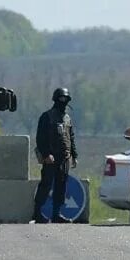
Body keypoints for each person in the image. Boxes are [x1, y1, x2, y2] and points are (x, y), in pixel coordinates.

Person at [31, 87, 78, 223]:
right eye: (61, 99)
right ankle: (37, 212)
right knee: (46, 184)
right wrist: (46, 154)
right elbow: (40, 138)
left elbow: (71, 137)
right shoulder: (46, 117)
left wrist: (74, 155)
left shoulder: (67, 119)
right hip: (51, 158)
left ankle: (57, 214)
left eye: (65, 99)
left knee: (61, 186)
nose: (63, 102)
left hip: (64, 158)